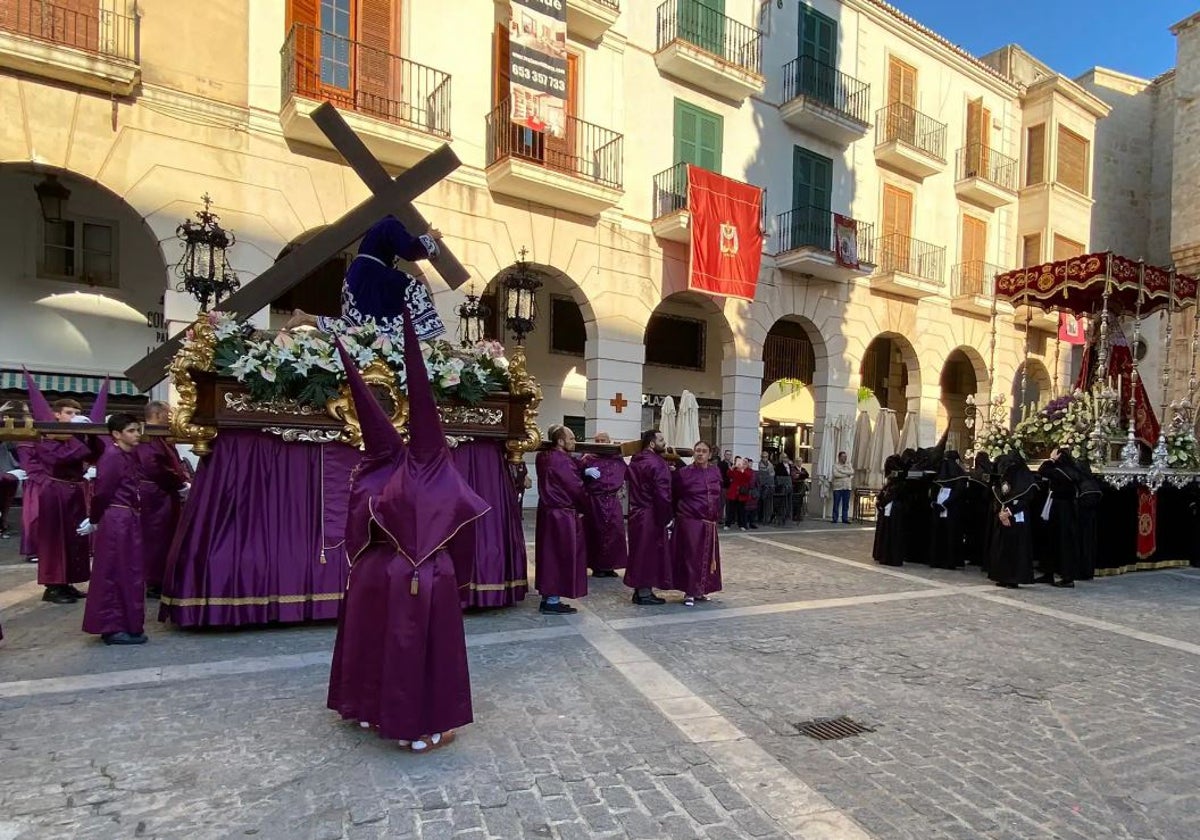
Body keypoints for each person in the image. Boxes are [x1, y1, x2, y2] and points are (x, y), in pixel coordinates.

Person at [326, 303, 490, 752]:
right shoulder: (438, 475)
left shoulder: (372, 471)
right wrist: (461, 582)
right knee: (418, 651)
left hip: (373, 572)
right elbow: (463, 535)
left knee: (374, 641)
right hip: (424, 574)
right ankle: (421, 728)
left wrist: (366, 562)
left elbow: (355, 531)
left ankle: (364, 709)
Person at [283, 216, 447, 342]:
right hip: (371, 277)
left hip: (359, 277)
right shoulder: (391, 225)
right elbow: (410, 250)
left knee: (356, 324)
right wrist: (429, 237)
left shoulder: (376, 230)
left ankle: (307, 318)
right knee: (413, 287)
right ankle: (414, 333)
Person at [23, 376, 104, 605]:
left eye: (76, 413)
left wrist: (92, 434)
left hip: (75, 490)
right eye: (68, 413)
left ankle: (68, 582)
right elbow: (61, 458)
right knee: (55, 539)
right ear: (57, 415)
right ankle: (53, 585)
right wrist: (78, 436)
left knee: (74, 538)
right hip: (55, 490)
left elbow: (93, 454)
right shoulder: (46, 436)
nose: (72, 417)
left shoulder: (74, 437)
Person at [79, 413, 148, 645]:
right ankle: (113, 626)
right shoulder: (112, 457)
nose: (136, 434)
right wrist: (94, 518)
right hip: (117, 519)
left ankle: (128, 623)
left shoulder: (127, 455)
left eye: (137, 430)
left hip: (127, 517)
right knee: (115, 571)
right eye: (131, 430)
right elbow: (103, 491)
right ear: (116, 435)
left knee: (128, 571)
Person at [534, 425, 595, 615]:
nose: (573, 442)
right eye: (570, 438)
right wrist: (587, 506)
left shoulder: (543, 457)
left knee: (548, 554)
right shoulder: (561, 460)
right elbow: (575, 487)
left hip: (547, 512)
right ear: (560, 441)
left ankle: (549, 597)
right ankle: (552, 600)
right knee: (560, 556)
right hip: (562, 515)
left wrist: (582, 467)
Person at [137, 401, 190, 599]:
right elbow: (154, 466)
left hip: (164, 493)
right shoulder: (148, 436)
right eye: (168, 414)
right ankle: (154, 581)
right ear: (158, 415)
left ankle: (164, 577)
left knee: (166, 536)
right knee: (156, 538)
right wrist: (179, 484)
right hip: (155, 494)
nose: (171, 418)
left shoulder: (160, 436)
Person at [625, 429, 673, 605]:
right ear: (652, 443)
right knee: (648, 553)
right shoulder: (657, 463)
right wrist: (666, 517)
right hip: (650, 513)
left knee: (638, 552)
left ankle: (640, 590)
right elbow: (663, 493)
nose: (664, 443)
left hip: (636, 512)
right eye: (661, 440)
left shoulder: (635, 461)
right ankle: (644, 592)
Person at [671, 441, 722, 607]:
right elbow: (675, 495)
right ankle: (689, 591)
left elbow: (718, 495)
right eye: (698, 451)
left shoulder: (715, 471)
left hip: (709, 522)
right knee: (691, 557)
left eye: (704, 451)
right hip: (691, 520)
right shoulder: (684, 473)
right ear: (693, 453)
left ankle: (701, 590)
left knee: (707, 557)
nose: (700, 454)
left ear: (709, 454)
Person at [581, 432, 627, 579]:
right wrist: (584, 472)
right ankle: (597, 566)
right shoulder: (587, 459)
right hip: (595, 501)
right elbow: (574, 473)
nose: (600, 443)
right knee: (596, 533)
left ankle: (610, 566)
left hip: (613, 501)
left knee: (615, 533)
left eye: (603, 440)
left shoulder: (617, 459)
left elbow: (629, 474)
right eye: (597, 440)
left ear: (609, 441)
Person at [989, 453, 1036, 589]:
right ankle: (1002, 576)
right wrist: (1001, 512)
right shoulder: (1005, 476)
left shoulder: (1025, 479)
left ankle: (1014, 577)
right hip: (1003, 515)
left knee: (1017, 548)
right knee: (1002, 548)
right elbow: (999, 494)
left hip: (1018, 516)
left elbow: (1025, 498)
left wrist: (1009, 512)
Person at [1036, 449, 1081, 588]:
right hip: (1062, 508)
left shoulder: (1060, 471)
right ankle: (1049, 572)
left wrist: (1051, 459)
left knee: (1063, 542)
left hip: (1061, 509)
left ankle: (1067, 578)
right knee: (1051, 541)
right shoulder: (1072, 469)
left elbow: (1042, 470)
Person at [929, 451, 968, 570]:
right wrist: (938, 503)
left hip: (949, 508)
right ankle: (945, 560)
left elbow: (958, 492)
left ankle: (945, 560)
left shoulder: (952, 474)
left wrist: (942, 504)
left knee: (947, 534)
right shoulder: (958, 474)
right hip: (948, 507)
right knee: (945, 534)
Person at [725, 457, 753, 530]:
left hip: (742, 493)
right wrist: (732, 468)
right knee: (731, 509)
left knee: (741, 510)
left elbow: (748, 477)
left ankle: (742, 525)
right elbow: (729, 475)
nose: (743, 464)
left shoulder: (748, 471)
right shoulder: (735, 470)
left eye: (745, 463)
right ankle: (728, 524)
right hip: (734, 492)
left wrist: (742, 470)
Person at [830, 451, 854, 525]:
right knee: (836, 503)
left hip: (847, 487)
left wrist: (842, 472)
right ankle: (835, 518)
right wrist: (846, 474)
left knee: (846, 504)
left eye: (845, 457)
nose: (845, 458)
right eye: (843, 457)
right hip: (838, 487)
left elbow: (852, 472)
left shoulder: (849, 465)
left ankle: (845, 518)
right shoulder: (835, 466)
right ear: (839, 457)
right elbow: (836, 474)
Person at [755, 453, 774, 526]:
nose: (764, 458)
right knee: (760, 503)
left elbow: (772, 473)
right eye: (763, 457)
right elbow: (759, 474)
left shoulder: (770, 464)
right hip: (761, 486)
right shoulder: (758, 464)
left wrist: (770, 476)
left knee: (767, 503)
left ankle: (766, 517)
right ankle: (760, 517)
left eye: (766, 457)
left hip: (768, 485)